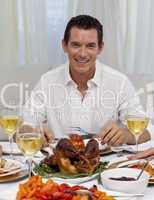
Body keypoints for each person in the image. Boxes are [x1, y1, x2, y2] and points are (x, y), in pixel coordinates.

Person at [24, 14, 151, 146]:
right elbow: (24, 125)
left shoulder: (120, 82)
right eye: (76, 45)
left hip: (109, 163)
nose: (83, 54)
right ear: (64, 46)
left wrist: (126, 135)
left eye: (90, 46)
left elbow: (146, 131)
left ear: (100, 48)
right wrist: (34, 132)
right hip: (59, 162)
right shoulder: (47, 81)